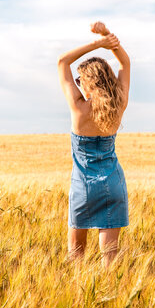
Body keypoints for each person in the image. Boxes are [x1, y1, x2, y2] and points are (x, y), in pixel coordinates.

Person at [57, 21, 130, 268]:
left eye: (80, 80)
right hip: (113, 184)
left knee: (75, 259)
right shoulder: (118, 106)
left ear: (88, 82)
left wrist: (97, 43)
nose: (77, 83)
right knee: (110, 262)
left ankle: (79, 300)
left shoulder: (78, 108)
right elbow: (125, 63)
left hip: (83, 186)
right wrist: (108, 37)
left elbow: (62, 62)